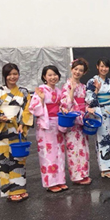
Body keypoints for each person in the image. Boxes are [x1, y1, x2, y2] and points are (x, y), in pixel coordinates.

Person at [29, 65, 67, 193]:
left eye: (55, 74)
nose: (53, 77)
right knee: (48, 153)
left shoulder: (58, 90)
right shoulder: (41, 90)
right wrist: (40, 98)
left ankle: (60, 180)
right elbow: (33, 108)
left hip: (57, 122)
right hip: (46, 124)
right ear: (44, 77)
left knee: (59, 152)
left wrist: (63, 109)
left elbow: (62, 104)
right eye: (49, 75)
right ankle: (50, 182)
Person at [0, 63, 33, 202]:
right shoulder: (0, 91)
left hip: (17, 129)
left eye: (15, 74)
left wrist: (23, 124)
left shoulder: (24, 92)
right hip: (2, 129)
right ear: (5, 76)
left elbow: (27, 110)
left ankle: (19, 189)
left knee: (18, 159)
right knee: (3, 159)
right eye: (10, 74)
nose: (13, 77)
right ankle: (8, 190)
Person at [60, 58, 92, 185]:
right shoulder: (66, 85)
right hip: (73, 121)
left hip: (82, 120)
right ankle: (76, 176)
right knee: (73, 149)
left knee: (83, 148)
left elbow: (86, 102)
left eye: (81, 70)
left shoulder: (84, 87)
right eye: (76, 69)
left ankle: (83, 173)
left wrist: (87, 110)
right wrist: (72, 91)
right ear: (71, 69)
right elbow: (65, 105)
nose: (78, 72)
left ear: (84, 73)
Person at [86, 58, 110, 178]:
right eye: (101, 66)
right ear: (97, 67)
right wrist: (96, 91)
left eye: (106, 66)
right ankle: (105, 168)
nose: (104, 69)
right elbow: (89, 99)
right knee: (102, 138)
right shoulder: (92, 81)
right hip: (100, 111)